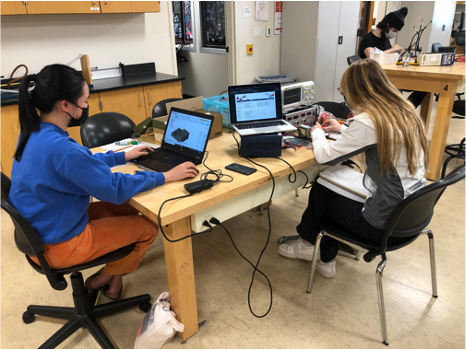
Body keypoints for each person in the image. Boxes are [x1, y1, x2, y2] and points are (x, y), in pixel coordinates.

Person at [9, 64, 198, 300]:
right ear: (65, 105)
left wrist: (121, 156)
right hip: (58, 245)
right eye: (85, 101)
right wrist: (165, 176)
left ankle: (113, 279)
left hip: (43, 228)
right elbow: (114, 189)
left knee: (130, 209)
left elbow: (79, 164)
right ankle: (106, 277)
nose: (87, 106)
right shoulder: (62, 149)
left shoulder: (34, 131)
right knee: (148, 228)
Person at [278, 59, 429, 278]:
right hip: (412, 215)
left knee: (322, 193)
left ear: (356, 93)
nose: (345, 100)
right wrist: (343, 127)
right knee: (330, 185)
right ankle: (324, 258)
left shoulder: (369, 121)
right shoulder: (403, 110)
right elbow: (374, 133)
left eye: (345, 94)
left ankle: (310, 247)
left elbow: (324, 156)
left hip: (384, 224)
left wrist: (317, 132)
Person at [358, 7, 427, 108]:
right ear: (387, 25)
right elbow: (372, 58)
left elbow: (386, 57)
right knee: (397, 92)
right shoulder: (368, 39)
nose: (394, 33)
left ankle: (406, 109)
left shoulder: (385, 40)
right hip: (373, 78)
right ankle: (403, 109)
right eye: (394, 30)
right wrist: (392, 50)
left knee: (424, 86)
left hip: (387, 76)